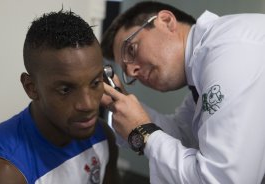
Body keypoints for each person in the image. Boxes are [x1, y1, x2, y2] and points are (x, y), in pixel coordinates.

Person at [100, 1, 265, 184]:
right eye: (125, 70)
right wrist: (123, 105)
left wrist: (141, 132)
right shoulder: (203, 66)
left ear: (166, 21)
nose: (131, 72)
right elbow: (184, 136)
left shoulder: (231, 52)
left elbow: (222, 180)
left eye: (131, 49)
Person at [0, 10, 119, 184]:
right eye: (65, 89)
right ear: (31, 88)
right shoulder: (3, 171)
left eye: (95, 83)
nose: (88, 104)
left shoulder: (103, 135)